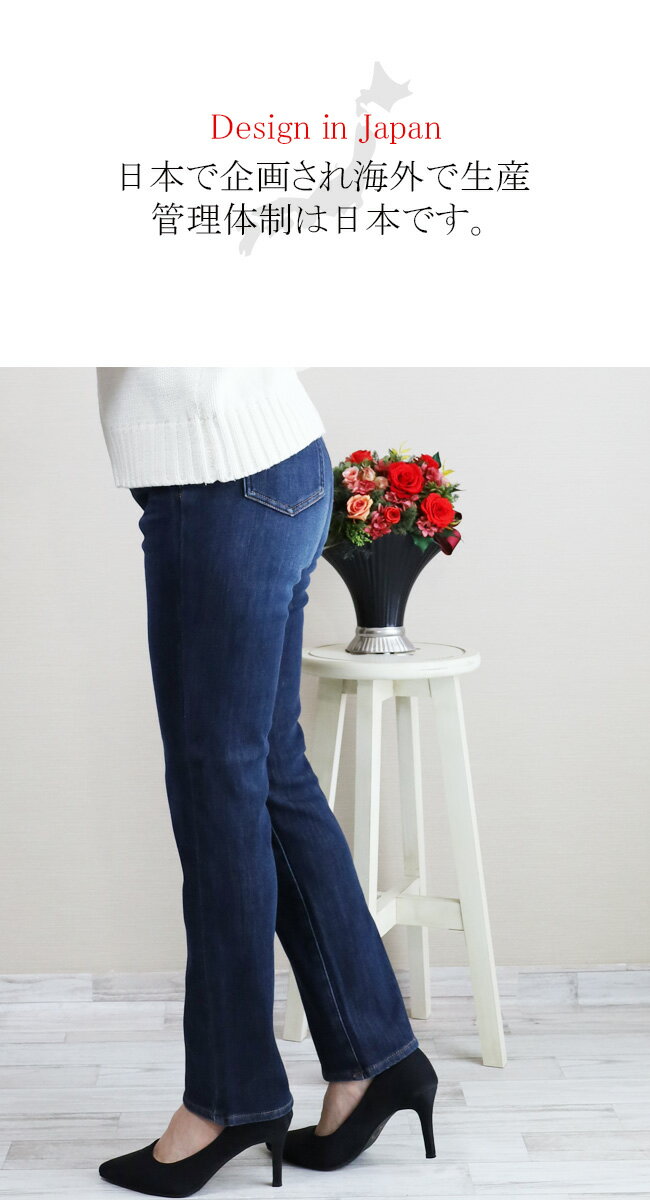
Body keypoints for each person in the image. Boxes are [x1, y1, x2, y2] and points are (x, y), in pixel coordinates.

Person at [95, 368, 438, 1197]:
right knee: (267, 772)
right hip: (276, 464)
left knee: (218, 787)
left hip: (217, 481)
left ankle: (228, 1098)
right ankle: (375, 1056)